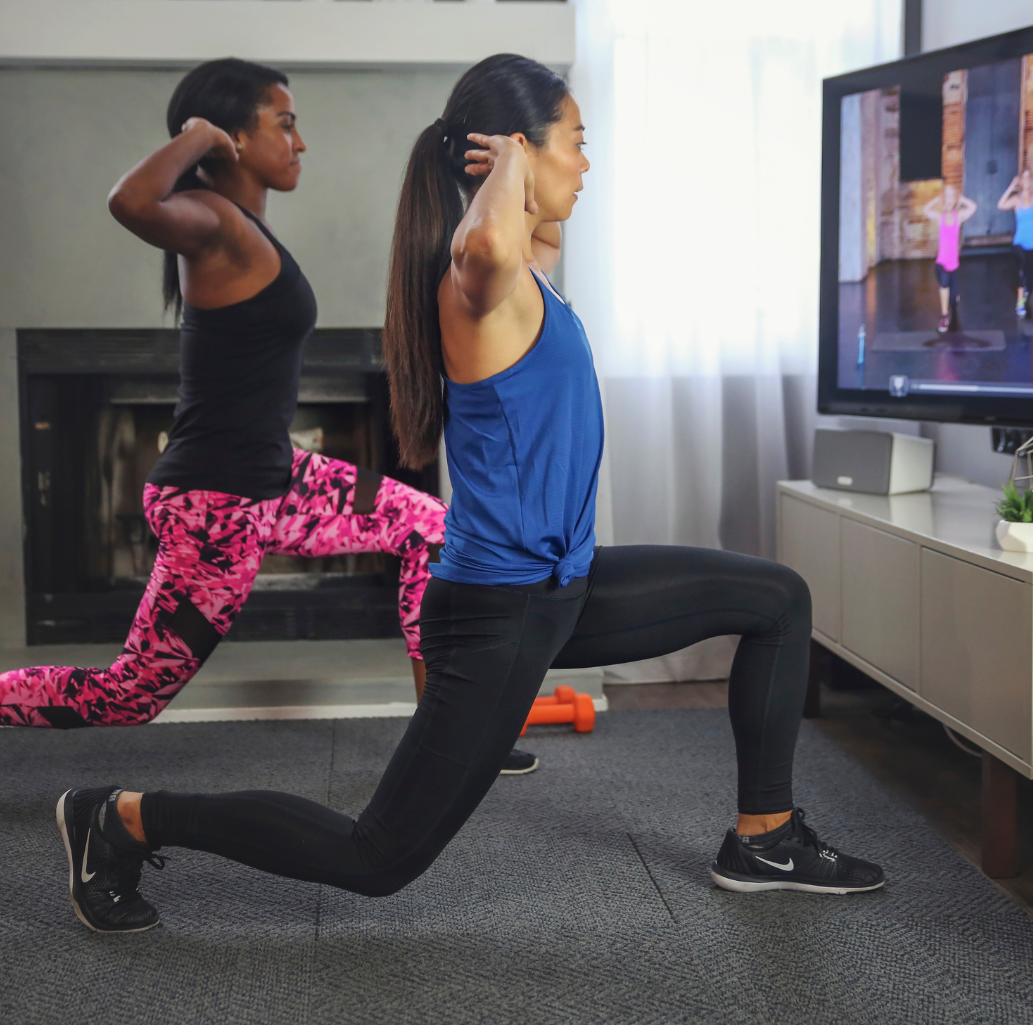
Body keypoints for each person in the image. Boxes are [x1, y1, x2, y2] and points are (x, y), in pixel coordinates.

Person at [55, 54, 884, 936]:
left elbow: (522, 232)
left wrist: (518, 169)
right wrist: (516, 161)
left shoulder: (527, 267)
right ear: (522, 151)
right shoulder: (475, 284)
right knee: (373, 859)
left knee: (775, 600)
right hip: (496, 613)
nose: (587, 163)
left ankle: (764, 839)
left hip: (563, 590)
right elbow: (483, 240)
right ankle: (122, 816)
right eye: (577, 143)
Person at [0, 57, 537, 774]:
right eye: (283, 124)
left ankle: (444, 739)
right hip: (214, 505)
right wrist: (198, 135)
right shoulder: (214, 224)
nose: (300, 141)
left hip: (277, 480)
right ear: (234, 138)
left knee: (430, 528)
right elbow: (129, 201)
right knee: (128, 694)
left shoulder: (238, 225)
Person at [997, 167, 1033, 318]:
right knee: (1021, 272)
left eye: (1029, 177)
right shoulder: (1017, 199)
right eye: (1024, 178)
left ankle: (1025, 296)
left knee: (1030, 279)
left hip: (1031, 243)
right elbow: (1001, 205)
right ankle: (1019, 302)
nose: (1027, 180)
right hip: (1019, 242)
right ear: (1021, 181)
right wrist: (1011, 187)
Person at [923, 184, 977, 334]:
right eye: (946, 197)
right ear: (943, 199)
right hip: (941, 263)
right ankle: (944, 317)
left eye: (951, 197)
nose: (948, 200)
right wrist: (936, 199)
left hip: (954, 265)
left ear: (954, 200)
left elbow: (973, 207)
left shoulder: (958, 217)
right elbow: (926, 210)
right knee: (944, 282)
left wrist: (961, 198)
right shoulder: (940, 217)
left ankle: (953, 302)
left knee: (953, 299)